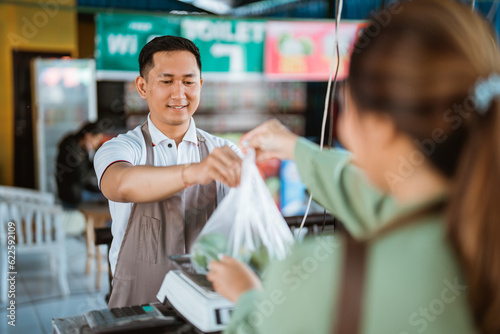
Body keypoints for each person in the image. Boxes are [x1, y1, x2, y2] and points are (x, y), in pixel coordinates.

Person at [206, 1, 500, 333]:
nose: (343, 129)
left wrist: (248, 298)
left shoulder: (320, 279)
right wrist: (295, 148)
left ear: (381, 127)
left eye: (347, 110)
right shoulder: (478, 228)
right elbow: (372, 196)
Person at [94, 35, 242, 308]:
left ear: (200, 85)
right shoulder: (122, 148)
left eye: (188, 81)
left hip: (209, 300)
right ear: (142, 86)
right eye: (166, 81)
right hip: (138, 303)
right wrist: (193, 172)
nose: (179, 94)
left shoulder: (223, 151)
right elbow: (121, 184)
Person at [56, 122, 104, 208]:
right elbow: (82, 176)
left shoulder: (80, 148)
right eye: (97, 139)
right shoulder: (70, 148)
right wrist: (91, 154)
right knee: (107, 198)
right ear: (88, 136)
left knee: (105, 194)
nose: (97, 143)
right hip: (71, 195)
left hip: (79, 191)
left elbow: (90, 170)